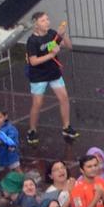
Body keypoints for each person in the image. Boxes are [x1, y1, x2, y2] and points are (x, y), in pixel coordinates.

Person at [25, 12, 76, 142]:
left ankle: (66, 126)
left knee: (64, 98)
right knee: (37, 103)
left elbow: (68, 46)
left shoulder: (51, 33)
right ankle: (32, 130)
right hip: (38, 75)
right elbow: (33, 61)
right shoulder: (32, 41)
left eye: (47, 19)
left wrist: (63, 35)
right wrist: (51, 55)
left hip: (54, 73)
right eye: (43, 21)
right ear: (35, 24)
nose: (47, 22)